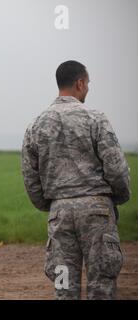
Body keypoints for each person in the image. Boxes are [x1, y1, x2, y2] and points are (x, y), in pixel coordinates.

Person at [22, 60, 131, 299]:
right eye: (88, 83)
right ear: (80, 83)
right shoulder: (96, 119)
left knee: (64, 286)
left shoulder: (36, 125)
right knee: (101, 284)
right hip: (97, 212)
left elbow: (30, 178)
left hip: (59, 214)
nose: (88, 89)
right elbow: (116, 168)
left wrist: (53, 204)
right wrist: (119, 198)